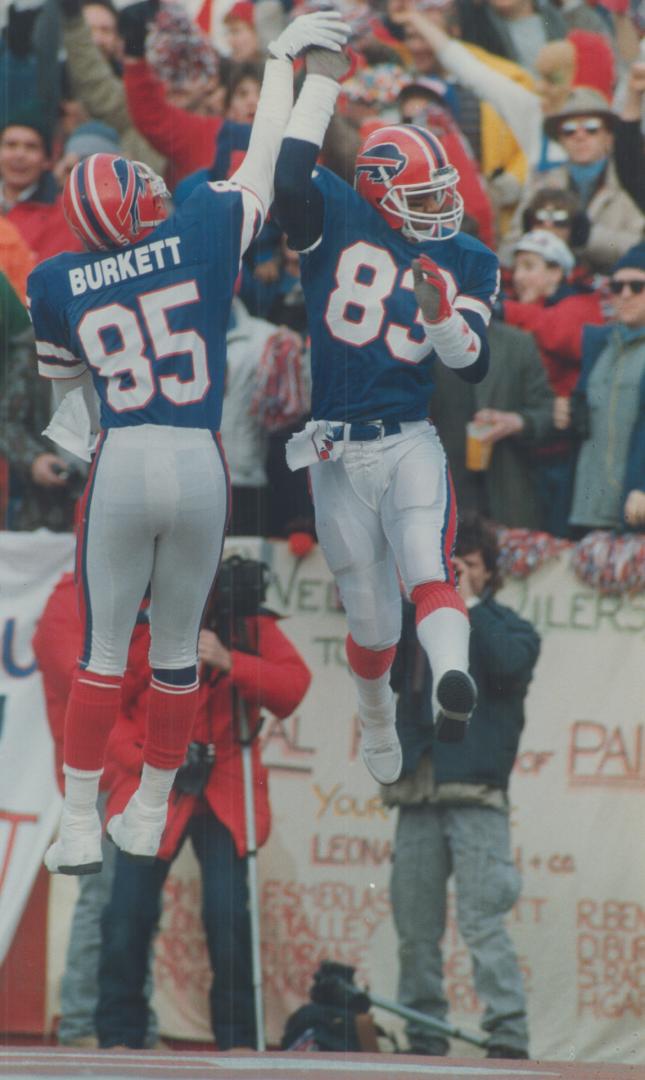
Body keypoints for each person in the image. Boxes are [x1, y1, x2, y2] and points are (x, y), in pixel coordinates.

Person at [27, 8, 350, 875]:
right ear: (141, 204)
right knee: (175, 653)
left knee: (103, 655)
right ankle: (149, 808)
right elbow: (263, 157)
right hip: (200, 458)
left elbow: (68, 393)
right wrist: (285, 62)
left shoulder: (55, 278)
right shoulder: (199, 228)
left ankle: (81, 819)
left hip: (125, 457)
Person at [274, 46, 500, 785]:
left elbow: (471, 361)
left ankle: (448, 681)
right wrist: (319, 84)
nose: (443, 208)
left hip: (409, 437)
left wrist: (438, 317)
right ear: (377, 192)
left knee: (426, 566)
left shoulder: (466, 258)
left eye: (443, 194)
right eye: (425, 196)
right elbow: (286, 174)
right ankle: (375, 714)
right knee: (370, 621)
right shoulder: (337, 214)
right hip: (336, 453)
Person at [95, 560, 312, 1051]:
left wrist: (232, 660)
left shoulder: (248, 622)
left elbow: (294, 687)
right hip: (154, 784)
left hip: (225, 787)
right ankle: (119, 1036)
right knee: (127, 914)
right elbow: (109, 713)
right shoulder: (140, 621)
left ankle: (237, 1039)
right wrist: (150, 758)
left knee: (226, 915)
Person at [384, 512, 541, 1059]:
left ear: (489, 572)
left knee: (482, 921)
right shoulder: (414, 624)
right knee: (414, 927)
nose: (456, 573)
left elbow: (505, 663)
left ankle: (508, 1034)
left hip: (475, 794)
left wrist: (464, 602)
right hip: (417, 791)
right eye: (451, 566)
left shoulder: (512, 626)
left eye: (468, 565)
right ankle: (424, 1036)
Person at [31, 573, 158, 1048]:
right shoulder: (68, 603)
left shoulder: (138, 598)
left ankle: (131, 1025)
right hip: (99, 777)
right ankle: (82, 1023)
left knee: (138, 903)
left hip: (133, 772)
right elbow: (87, 692)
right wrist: (146, 759)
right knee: (100, 901)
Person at [569, 242, 645, 533]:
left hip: (635, 507)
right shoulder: (597, 344)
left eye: (637, 286)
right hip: (588, 508)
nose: (625, 294)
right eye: (617, 286)